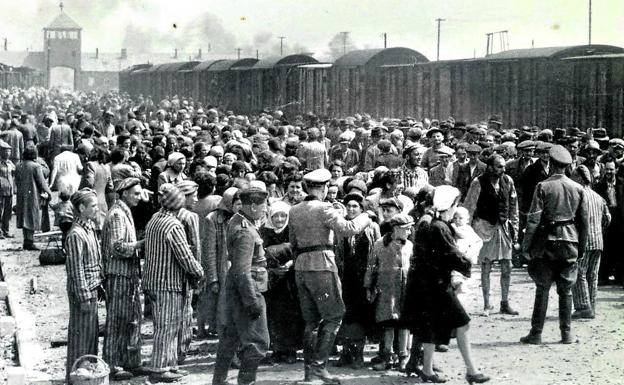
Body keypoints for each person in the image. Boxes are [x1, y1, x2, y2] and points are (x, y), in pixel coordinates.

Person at [289, 168, 371, 384]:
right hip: (322, 265)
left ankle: (310, 372)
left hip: (301, 267)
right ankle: (318, 368)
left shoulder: (295, 209)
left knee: (311, 321)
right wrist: (366, 216)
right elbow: (349, 228)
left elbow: (293, 243)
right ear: (324, 188)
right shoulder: (325, 207)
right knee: (334, 315)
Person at [403, 185, 490, 384]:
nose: (455, 209)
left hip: (427, 284)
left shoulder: (432, 223)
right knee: (463, 323)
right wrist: (467, 261)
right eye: (454, 205)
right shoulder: (439, 227)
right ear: (448, 205)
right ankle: (471, 370)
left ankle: (427, 369)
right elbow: (453, 255)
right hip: (437, 286)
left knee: (431, 326)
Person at [521, 145, 589, 345]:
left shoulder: (542, 186)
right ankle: (566, 333)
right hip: (570, 242)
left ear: (551, 163)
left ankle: (536, 333)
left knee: (542, 288)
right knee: (566, 290)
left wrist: (526, 246)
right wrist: (582, 248)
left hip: (546, 242)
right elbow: (583, 222)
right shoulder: (577, 188)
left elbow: (533, 221)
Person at [144, 183, 204, 383]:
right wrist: (199, 272)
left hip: (153, 281)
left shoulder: (154, 219)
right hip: (168, 283)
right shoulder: (173, 225)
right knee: (167, 327)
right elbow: (185, 256)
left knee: (164, 325)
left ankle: (169, 364)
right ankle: (160, 367)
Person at [212, 187, 270, 385]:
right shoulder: (245, 231)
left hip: (237, 289)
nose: (266, 209)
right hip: (249, 289)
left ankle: (219, 381)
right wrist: (252, 301)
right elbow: (242, 271)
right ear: (253, 206)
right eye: (264, 206)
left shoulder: (237, 220)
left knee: (231, 337)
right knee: (258, 343)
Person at [101, 178, 147, 380]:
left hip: (127, 274)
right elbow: (117, 247)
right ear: (125, 193)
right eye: (136, 193)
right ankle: (112, 364)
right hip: (118, 275)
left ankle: (130, 360)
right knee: (117, 321)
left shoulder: (124, 212)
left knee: (131, 319)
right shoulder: (118, 215)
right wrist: (141, 244)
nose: (139, 197)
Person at [463, 154, 520, 316]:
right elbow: (469, 207)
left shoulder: (508, 181)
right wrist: (469, 233)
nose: (502, 170)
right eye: (499, 166)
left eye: (503, 166)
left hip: (503, 228)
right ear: (490, 167)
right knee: (486, 267)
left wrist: (514, 229)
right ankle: (487, 305)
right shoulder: (478, 183)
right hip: (485, 228)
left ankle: (504, 303)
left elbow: (514, 207)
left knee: (507, 266)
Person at [334, 192, 380, 369]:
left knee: (361, 316)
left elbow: (376, 251)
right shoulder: (342, 227)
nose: (352, 209)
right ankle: (346, 353)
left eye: (356, 206)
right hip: (346, 277)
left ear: (362, 209)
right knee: (346, 315)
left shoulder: (372, 226)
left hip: (364, 278)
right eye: (349, 206)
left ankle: (358, 355)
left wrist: (373, 279)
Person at [364, 213, 413, 371]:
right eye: (407, 229)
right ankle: (387, 356)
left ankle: (403, 357)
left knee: (404, 324)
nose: (410, 232)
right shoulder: (380, 244)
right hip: (386, 291)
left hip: (405, 291)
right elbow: (371, 266)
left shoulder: (410, 245)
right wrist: (368, 287)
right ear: (396, 229)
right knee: (388, 324)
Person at [65, 188, 104, 384]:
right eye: (93, 206)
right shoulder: (76, 234)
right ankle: (76, 376)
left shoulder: (88, 227)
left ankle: (87, 373)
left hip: (92, 288)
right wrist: (84, 296)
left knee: (90, 335)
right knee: (81, 336)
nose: (97, 209)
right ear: (81, 208)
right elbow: (76, 269)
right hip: (84, 292)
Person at [260, 201, 303, 364]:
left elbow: (299, 251)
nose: (279, 219)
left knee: (291, 314)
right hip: (273, 279)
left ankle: (291, 350)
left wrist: (291, 264)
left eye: (283, 215)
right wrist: (273, 268)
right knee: (274, 314)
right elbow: (261, 253)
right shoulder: (265, 232)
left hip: (290, 279)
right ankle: (278, 349)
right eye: (275, 216)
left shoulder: (293, 230)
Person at [571, 165, 610, 319]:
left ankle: (582, 307)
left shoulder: (578, 195)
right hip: (598, 240)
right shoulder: (598, 197)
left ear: (580, 178)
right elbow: (608, 219)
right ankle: (591, 307)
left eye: (574, 176)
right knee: (593, 275)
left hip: (583, 241)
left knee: (579, 273)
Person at [202, 187, 241, 337]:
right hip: (223, 270)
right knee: (224, 310)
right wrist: (212, 278)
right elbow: (209, 251)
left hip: (240, 269)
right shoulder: (212, 220)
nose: (239, 207)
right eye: (236, 203)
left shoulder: (245, 219)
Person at [175, 180, 201, 364]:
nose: (196, 199)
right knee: (186, 309)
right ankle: (182, 349)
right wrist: (198, 272)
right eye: (194, 196)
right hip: (188, 267)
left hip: (173, 269)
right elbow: (196, 247)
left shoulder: (169, 214)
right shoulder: (189, 216)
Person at [15, 145, 53, 250]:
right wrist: (49, 192)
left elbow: (17, 180)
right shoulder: (36, 166)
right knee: (31, 216)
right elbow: (42, 182)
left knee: (24, 217)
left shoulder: (18, 165)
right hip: (32, 194)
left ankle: (26, 240)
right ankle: (30, 241)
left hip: (21, 194)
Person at [0, 140, 15, 239]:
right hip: (1, 190)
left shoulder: (10, 163)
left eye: (9, 151)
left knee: (8, 212)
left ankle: (6, 230)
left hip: (9, 190)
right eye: (5, 151)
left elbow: (14, 174)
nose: (7, 153)